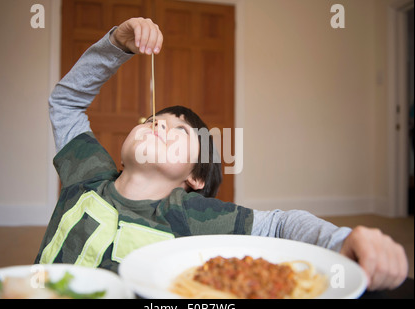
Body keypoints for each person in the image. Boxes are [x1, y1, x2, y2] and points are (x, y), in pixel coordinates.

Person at [35, 18, 408, 292]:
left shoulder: (188, 216)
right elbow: (65, 103)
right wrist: (115, 43)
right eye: (153, 120)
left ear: (194, 179)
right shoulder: (88, 173)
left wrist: (341, 240)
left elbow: (278, 226)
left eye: (178, 131)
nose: (159, 126)